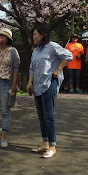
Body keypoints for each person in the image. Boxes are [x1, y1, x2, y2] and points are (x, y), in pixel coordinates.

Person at [26, 24, 72, 159]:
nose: (33, 37)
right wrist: (29, 83)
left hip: (49, 83)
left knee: (48, 115)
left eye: (35, 34)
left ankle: (52, 146)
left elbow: (68, 55)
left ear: (43, 35)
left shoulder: (52, 46)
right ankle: (45, 143)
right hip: (37, 86)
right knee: (41, 115)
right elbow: (32, 69)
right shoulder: (35, 51)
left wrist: (57, 70)